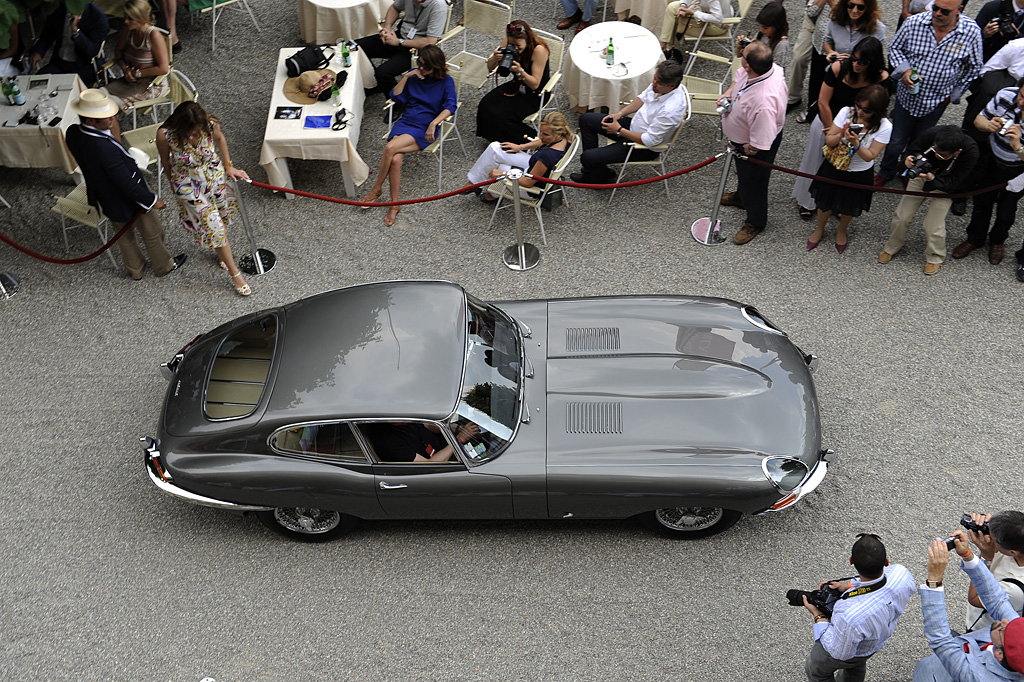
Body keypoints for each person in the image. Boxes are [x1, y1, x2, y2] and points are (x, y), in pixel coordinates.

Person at [64, 89, 186, 280]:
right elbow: (126, 183)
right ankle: (163, 266)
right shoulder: (104, 149)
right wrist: (152, 200)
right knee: (153, 233)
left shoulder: (73, 133)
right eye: (105, 116)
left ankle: (135, 270)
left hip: (104, 195)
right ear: (90, 121)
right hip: (130, 198)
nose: (112, 117)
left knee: (124, 237)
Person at [875, 0, 983, 186]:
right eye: (935, 8)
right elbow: (894, 48)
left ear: (959, 10)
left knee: (922, 141)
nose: (937, 13)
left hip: (937, 102)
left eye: (944, 11)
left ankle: (908, 170)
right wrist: (905, 70)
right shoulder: (914, 23)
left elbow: (974, 67)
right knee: (896, 140)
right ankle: (887, 170)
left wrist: (954, 94)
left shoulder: (971, 32)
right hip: (906, 98)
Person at [156, 102, 252, 297]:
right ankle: (235, 274)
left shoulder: (209, 123)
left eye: (199, 128)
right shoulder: (165, 134)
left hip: (213, 177)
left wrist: (228, 166)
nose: (198, 132)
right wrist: (173, 186)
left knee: (222, 220)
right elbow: (165, 160)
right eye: (193, 129)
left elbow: (220, 139)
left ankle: (221, 253)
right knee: (213, 225)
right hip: (187, 184)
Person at [792, 36, 890, 219]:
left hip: (858, 127)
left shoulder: (881, 77)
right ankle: (807, 201)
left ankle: (836, 203)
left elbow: (879, 106)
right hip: (828, 121)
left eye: (863, 62)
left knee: (846, 167)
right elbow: (823, 101)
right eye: (854, 58)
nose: (856, 64)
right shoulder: (839, 68)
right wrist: (832, 130)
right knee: (816, 161)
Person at [360, 44, 457, 226]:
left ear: (436, 66)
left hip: (424, 127)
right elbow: (395, 96)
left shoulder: (446, 81)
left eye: (426, 66)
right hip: (406, 121)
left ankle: (376, 188)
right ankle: (395, 205)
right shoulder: (414, 75)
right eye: (420, 63)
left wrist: (434, 123)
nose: (421, 68)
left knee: (390, 147)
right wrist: (406, 76)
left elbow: (451, 106)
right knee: (395, 160)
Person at [802, 533, 916, 682]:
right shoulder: (901, 574)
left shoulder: (849, 615)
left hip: (852, 649)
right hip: (873, 644)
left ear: (851, 561)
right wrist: (848, 586)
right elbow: (875, 581)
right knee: (855, 666)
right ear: (887, 562)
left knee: (816, 671)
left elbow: (840, 653)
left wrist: (819, 616)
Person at [913, 531, 1024, 682]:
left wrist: (934, 580)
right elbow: (997, 601)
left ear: (999, 654)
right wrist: (968, 556)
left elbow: (941, 640)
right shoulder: (1015, 635)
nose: (1005, 621)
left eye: (1004, 630)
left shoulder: (977, 678)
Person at [879, 126, 980, 275]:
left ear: (957, 152)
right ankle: (891, 246)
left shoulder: (971, 152)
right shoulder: (932, 134)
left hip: (946, 185)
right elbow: (911, 150)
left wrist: (932, 178)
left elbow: (954, 183)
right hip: (922, 176)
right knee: (902, 216)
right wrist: (907, 162)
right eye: (934, 150)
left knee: (933, 225)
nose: (936, 155)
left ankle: (935, 256)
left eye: (942, 155)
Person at [568, 60, 688, 185]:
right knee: (586, 120)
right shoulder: (660, 87)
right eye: (654, 78)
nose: (653, 83)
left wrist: (619, 130)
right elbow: (642, 98)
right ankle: (597, 172)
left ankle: (595, 175)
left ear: (671, 86)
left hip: (643, 147)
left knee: (586, 157)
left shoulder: (671, 110)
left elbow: (650, 140)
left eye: (658, 82)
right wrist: (619, 114)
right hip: (631, 127)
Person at [806, 84, 891, 253]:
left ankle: (842, 231)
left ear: (877, 111)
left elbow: (870, 156)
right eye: (858, 106)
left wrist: (856, 144)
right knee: (824, 201)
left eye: (866, 110)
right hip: (834, 165)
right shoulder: (847, 112)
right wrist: (841, 135)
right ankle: (820, 228)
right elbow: (829, 141)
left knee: (849, 205)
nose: (860, 112)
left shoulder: (885, 126)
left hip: (859, 172)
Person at [718, 41, 788, 245]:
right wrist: (728, 93)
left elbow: (763, 136)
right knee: (746, 177)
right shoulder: (767, 69)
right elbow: (740, 77)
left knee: (755, 183)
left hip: (753, 147)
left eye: (743, 53)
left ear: (749, 64)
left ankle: (756, 221)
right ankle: (741, 197)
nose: (741, 51)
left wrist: (751, 149)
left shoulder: (764, 101)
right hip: (743, 140)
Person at [952, 83, 1024, 265]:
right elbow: (979, 119)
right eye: (1021, 95)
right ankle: (974, 238)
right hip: (991, 160)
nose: (1021, 102)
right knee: (981, 202)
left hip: (1017, 171)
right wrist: (988, 125)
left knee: (1007, 210)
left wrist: (1018, 147)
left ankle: (998, 241)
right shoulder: (1006, 95)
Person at [802, 0, 886, 124]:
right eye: (851, 5)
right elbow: (827, 40)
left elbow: (875, 56)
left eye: (861, 7)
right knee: (826, 107)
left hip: (861, 79)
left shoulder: (878, 29)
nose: (855, 10)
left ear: (868, 8)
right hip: (837, 74)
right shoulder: (836, 19)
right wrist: (830, 52)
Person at [464, 111, 572, 202]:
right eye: (541, 132)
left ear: (558, 134)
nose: (540, 136)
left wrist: (502, 173)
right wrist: (520, 147)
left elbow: (528, 183)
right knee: (495, 148)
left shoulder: (547, 156)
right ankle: (475, 183)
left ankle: (490, 195)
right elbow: (542, 142)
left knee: (498, 166)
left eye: (545, 134)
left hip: (531, 189)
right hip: (535, 167)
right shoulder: (565, 139)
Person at [475, 20, 550, 144]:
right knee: (486, 103)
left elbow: (535, 83)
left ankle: (534, 141)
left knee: (503, 115)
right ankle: (494, 137)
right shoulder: (509, 40)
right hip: (517, 85)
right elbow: (490, 68)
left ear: (526, 39)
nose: (515, 49)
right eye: (512, 45)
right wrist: (495, 58)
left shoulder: (539, 50)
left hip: (535, 94)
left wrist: (521, 72)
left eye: (518, 46)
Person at [355, 0, 446, 95]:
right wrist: (387, 28)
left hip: (415, 49)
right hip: (398, 36)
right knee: (357, 47)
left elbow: (429, 41)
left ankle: (397, 104)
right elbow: (394, 8)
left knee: (383, 72)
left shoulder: (439, 6)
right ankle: (375, 84)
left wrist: (398, 42)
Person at [102, 0, 170, 111]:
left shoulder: (153, 35)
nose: (126, 21)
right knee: (99, 95)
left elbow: (163, 69)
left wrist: (137, 73)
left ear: (141, 18)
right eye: (125, 17)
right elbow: (118, 51)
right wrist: (125, 69)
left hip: (151, 85)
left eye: (130, 18)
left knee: (109, 106)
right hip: (130, 79)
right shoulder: (128, 30)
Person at [963, 511, 1024, 633]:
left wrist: (986, 557)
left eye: (993, 539)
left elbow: (975, 599)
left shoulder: (1015, 588)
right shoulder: (1018, 540)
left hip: (988, 630)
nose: (989, 539)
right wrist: (994, 526)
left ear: (1013, 552)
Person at [28, 2, 107, 85]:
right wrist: (38, 51)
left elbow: (92, 51)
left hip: (83, 66)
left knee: (67, 89)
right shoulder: (59, 9)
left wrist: (75, 31)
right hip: (59, 62)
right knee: (37, 84)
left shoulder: (97, 17)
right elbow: (48, 33)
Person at [366, 421, 479, 462]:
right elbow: (429, 464)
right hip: (444, 461)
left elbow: (428, 425)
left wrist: (456, 428)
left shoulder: (403, 419)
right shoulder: (388, 443)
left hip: (448, 445)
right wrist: (459, 439)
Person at [796, 0, 834, 123]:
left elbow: (845, 18)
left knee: (831, 80)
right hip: (819, 42)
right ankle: (811, 109)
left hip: (836, 46)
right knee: (815, 78)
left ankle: (828, 113)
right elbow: (811, 11)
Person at [786, 0, 825, 113]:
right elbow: (810, 9)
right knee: (799, 58)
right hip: (812, 22)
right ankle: (793, 97)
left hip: (834, 25)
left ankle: (821, 100)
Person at [659, 0, 733, 56]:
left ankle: (668, 50)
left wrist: (693, 13)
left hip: (718, 25)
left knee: (677, 20)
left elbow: (718, 19)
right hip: (706, 11)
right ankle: (667, 46)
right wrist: (683, 5)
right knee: (671, 8)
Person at [736, 2, 791, 72]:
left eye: (765, 27)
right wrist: (740, 47)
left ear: (777, 26)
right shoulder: (763, 34)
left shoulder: (781, 45)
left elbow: (778, 71)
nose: (761, 30)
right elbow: (739, 55)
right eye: (760, 26)